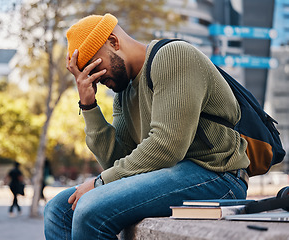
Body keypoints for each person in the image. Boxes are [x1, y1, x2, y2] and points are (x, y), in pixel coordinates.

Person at [44, 13, 250, 240]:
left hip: (216, 175)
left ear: (114, 42)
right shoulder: (123, 95)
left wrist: (100, 182)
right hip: (168, 176)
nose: (92, 78)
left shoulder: (174, 56)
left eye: (92, 67)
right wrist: (88, 105)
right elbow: (116, 162)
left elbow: (167, 146)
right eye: (84, 73)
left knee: (89, 209)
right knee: (58, 210)